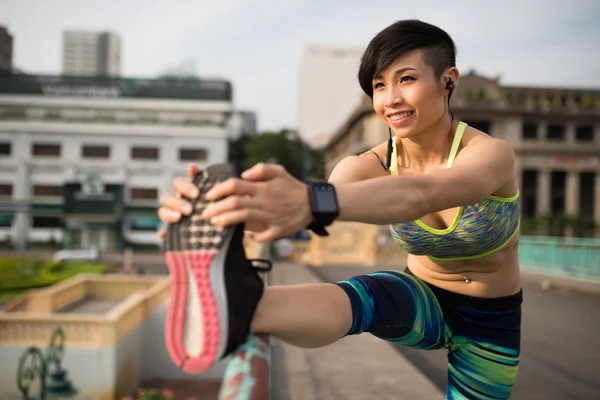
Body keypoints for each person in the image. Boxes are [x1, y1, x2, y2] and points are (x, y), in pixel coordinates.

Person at [158, 19, 522, 400]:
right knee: (362, 296)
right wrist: (218, 211)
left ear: (448, 80)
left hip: (492, 320)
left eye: (407, 79)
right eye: (379, 86)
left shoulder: (489, 154)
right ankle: (245, 307)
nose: (390, 99)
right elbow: (304, 207)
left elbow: (426, 192)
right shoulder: (365, 165)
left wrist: (312, 201)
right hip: (422, 297)